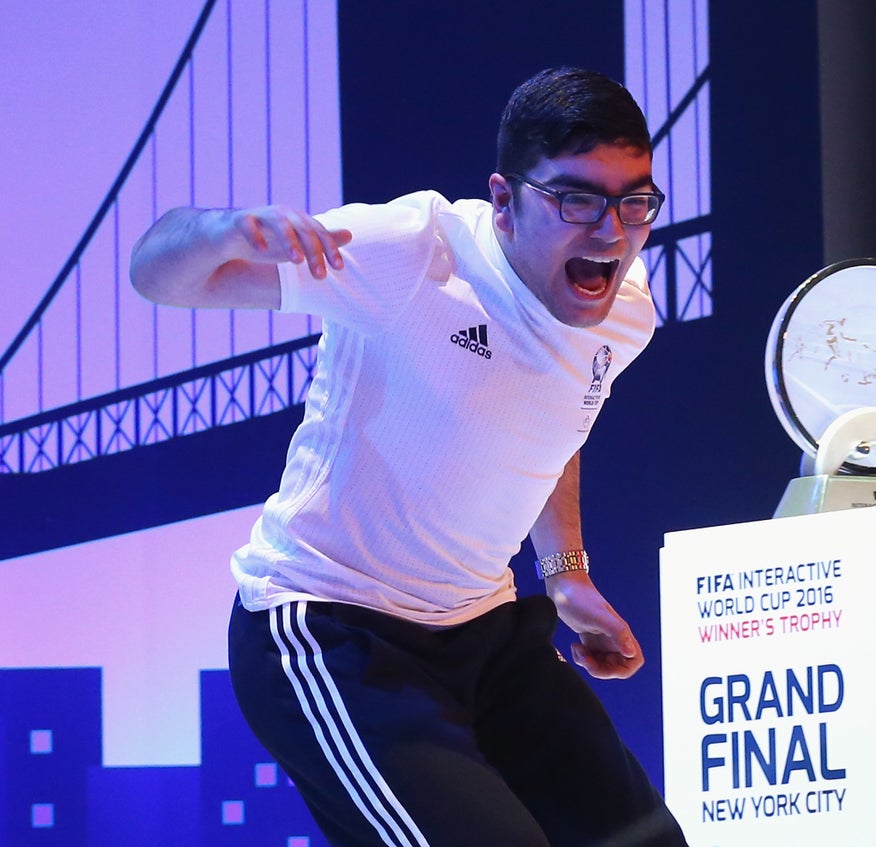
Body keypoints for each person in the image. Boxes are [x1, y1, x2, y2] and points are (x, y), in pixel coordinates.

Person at [130, 67, 688, 847]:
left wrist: (567, 576)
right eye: (576, 200)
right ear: (503, 199)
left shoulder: (622, 311)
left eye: (635, 202)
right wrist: (225, 231)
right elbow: (155, 273)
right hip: (332, 630)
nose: (611, 232)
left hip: (483, 633)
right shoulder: (412, 252)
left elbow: (552, 424)